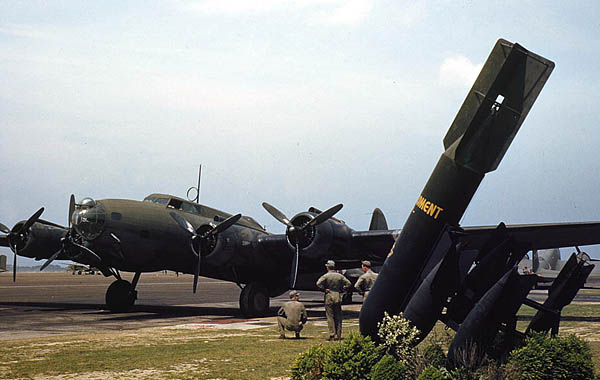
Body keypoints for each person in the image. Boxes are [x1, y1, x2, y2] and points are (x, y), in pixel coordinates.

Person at [316, 260, 352, 341]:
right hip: (337, 295)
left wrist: (324, 289)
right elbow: (348, 283)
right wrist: (342, 289)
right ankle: (338, 334)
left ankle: (332, 334)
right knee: (338, 316)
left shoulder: (326, 276)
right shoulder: (339, 276)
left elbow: (318, 284)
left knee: (330, 316)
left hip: (329, 295)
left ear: (328, 267)